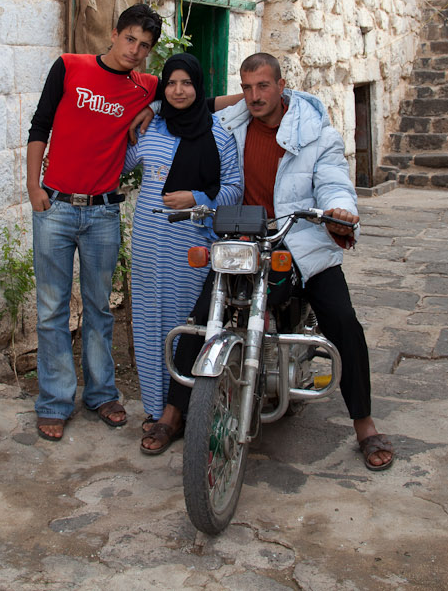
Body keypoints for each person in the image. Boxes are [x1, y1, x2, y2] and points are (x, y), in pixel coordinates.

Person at [161, 52, 395, 470]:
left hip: (299, 242)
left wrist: (339, 210)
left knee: (343, 321)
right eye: (247, 87)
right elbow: (192, 105)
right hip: (243, 241)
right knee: (201, 319)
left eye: (263, 86)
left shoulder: (315, 134)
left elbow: (334, 181)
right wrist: (152, 107)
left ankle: (365, 424)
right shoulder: (230, 125)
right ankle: (173, 415)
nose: (254, 96)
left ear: (281, 85)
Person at [26, 4, 162, 442]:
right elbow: (39, 126)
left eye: (144, 46)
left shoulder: (146, 86)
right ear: (113, 32)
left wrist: (154, 109)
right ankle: (55, 401)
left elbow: (194, 93)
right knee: (51, 310)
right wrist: (34, 187)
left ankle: (102, 393)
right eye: (130, 40)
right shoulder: (69, 67)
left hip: (104, 211)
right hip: (57, 207)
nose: (135, 51)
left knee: (100, 307)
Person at [123, 55, 242, 455]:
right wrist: (141, 112)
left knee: (187, 324)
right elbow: (122, 163)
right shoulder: (150, 127)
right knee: (150, 322)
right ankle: (158, 410)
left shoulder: (219, 135)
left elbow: (234, 189)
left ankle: (187, 408)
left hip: (192, 246)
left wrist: (198, 197)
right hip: (149, 243)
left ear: (198, 86)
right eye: (170, 83)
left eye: (186, 83)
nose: (178, 90)